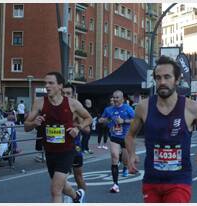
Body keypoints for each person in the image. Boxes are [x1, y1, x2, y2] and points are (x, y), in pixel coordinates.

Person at [125, 56, 197, 203]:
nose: (162, 82)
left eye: (167, 77)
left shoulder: (191, 107)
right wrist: (132, 154)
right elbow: (130, 135)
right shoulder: (144, 107)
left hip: (179, 181)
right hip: (151, 180)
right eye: (158, 78)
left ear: (177, 80)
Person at [24, 72, 92, 203]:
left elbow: (88, 118)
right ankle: (77, 197)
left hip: (66, 151)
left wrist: (78, 128)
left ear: (60, 86)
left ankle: (76, 197)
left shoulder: (72, 103)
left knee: (55, 190)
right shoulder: (39, 103)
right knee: (63, 186)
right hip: (49, 152)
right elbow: (26, 127)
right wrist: (34, 123)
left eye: (51, 83)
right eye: (45, 83)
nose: (47, 86)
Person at [98, 90, 135, 193]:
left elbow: (135, 120)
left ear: (122, 99)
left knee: (125, 160)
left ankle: (125, 167)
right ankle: (115, 184)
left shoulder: (128, 108)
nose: (115, 99)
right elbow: (102, 119)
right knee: (114, 156)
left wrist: (124, 121)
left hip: (126, 138)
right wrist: (102, 120)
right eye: (114, 97)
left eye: (117, 97)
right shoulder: (108, 109)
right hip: (114, 136)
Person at [63, 83, 89, 202]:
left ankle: (82, 200)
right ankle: (72, 198)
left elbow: (87, 129)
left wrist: (77, 126)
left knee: (78, 177)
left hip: (75, 147)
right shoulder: (55, 108)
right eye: (63, 93)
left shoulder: (77, 111)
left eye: (68, 93)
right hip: (60, 149)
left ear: (73, 95)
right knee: (60, 179)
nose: (65, 96)